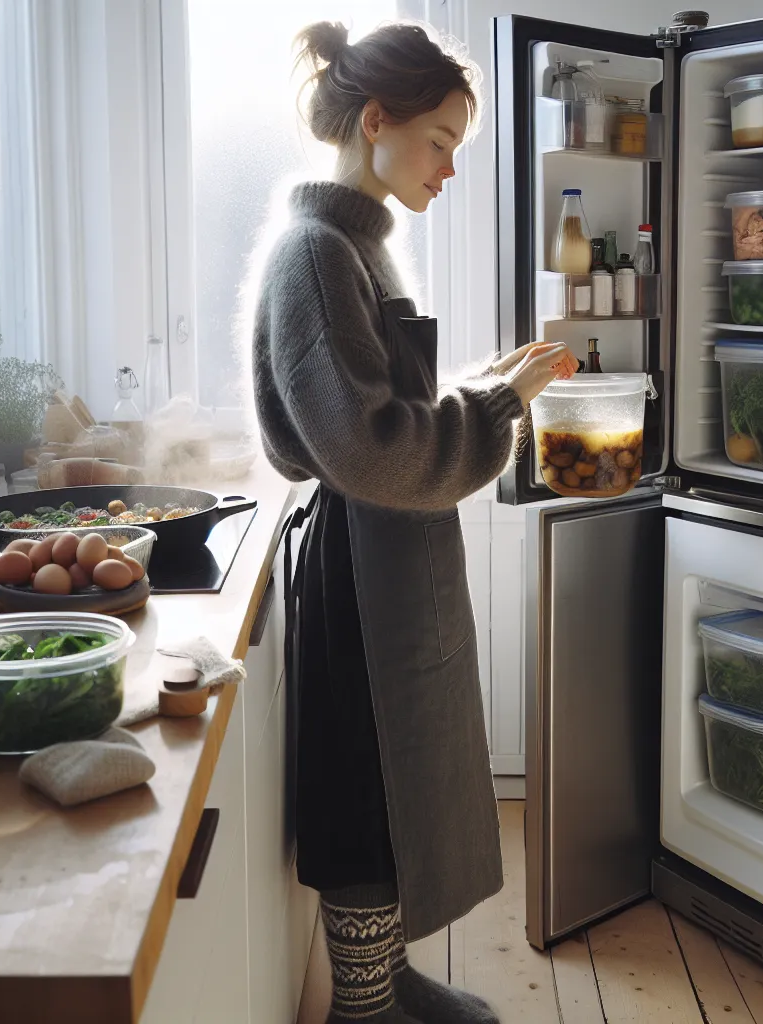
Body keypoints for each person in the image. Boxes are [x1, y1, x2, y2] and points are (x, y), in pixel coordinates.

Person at [252, 19, 570, 1024]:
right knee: (368, 784)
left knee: (404, 782)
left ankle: (385, 977)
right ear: (375, 121)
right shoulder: (317, 253)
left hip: (387, 552)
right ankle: (363, 1005)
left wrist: (486, 385)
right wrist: (501, 404)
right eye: (439, 140)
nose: (449, 167)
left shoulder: (357, 244)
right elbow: (365, 445)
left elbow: (382, 409)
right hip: (358, 564)